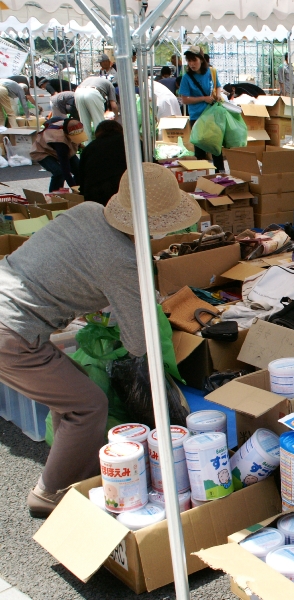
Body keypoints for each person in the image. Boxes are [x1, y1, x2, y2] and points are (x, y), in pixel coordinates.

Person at [0, 163, 200, 518]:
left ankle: (70, 472)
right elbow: (139, 343)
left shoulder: (87, 210)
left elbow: (68, 265)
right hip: (13, 328)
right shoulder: (123, 261)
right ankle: (48, 494)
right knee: (88, 406)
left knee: (75, 392)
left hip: (10, 302)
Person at [179, 45, 225, 172]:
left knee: (216, 146)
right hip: (197, 117)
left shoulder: (211, 72)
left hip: (212, 114)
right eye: (189, 61)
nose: (192, 64)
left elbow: (218, 86)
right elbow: (185, 99)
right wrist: (203, 98)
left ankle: (220, 174)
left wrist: (218, 95)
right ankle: (201, 176)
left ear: (201, 59)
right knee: (199, 149)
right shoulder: (186, 77)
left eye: (194, 60)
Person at [76, 120, 128, 206]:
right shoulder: (130, 143)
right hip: (125, 191)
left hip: (95, 196)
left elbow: (81, 177)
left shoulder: (89, 148)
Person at [30, 117, 85, 192]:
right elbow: (65, 169)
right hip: (43, 151)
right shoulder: (60, 142)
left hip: (62, 148)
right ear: (66, 134)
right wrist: (74, 188)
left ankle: (81, 192)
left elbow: (76, 138)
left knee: (80, 170)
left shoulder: (71, 125)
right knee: (59, 173)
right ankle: (54, 196)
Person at [75, 76, 118, 143]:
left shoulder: (90, 78)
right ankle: (101, 147)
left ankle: (87, 148)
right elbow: (114, 106)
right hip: (93, 92)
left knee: (84, 125)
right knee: (99, 124)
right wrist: (117, 116)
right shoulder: (110, 84)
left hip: (78, 92)